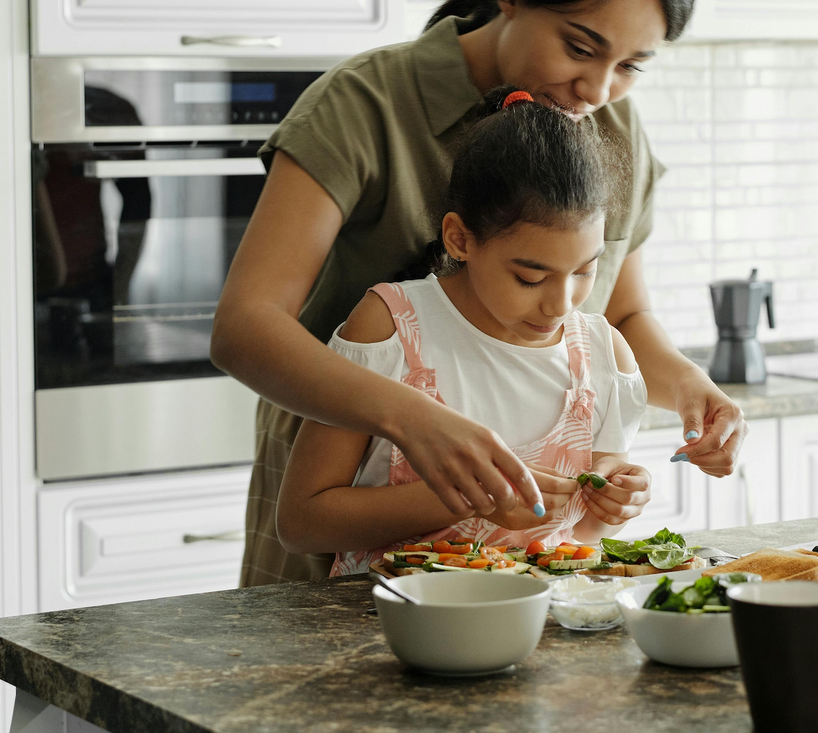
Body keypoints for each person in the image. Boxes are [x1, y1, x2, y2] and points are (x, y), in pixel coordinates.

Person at [212, 0, 748, 585]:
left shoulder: (610, 126)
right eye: (580, 47)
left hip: (520, 557)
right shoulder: (364, 104)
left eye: (629, 67)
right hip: (346, 497)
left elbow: (619, 313)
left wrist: (687, 388)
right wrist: (414, 420)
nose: (599, 88)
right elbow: (245, 327)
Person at [278, 88, 650, 573]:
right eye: (530, 277)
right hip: (388, 628)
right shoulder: (391, 328)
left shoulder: (604, 356)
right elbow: (302, 523)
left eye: (585, 270)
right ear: (460, 238)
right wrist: (467, 498)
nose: (561, 304)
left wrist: (613, 507)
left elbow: (581, 536)